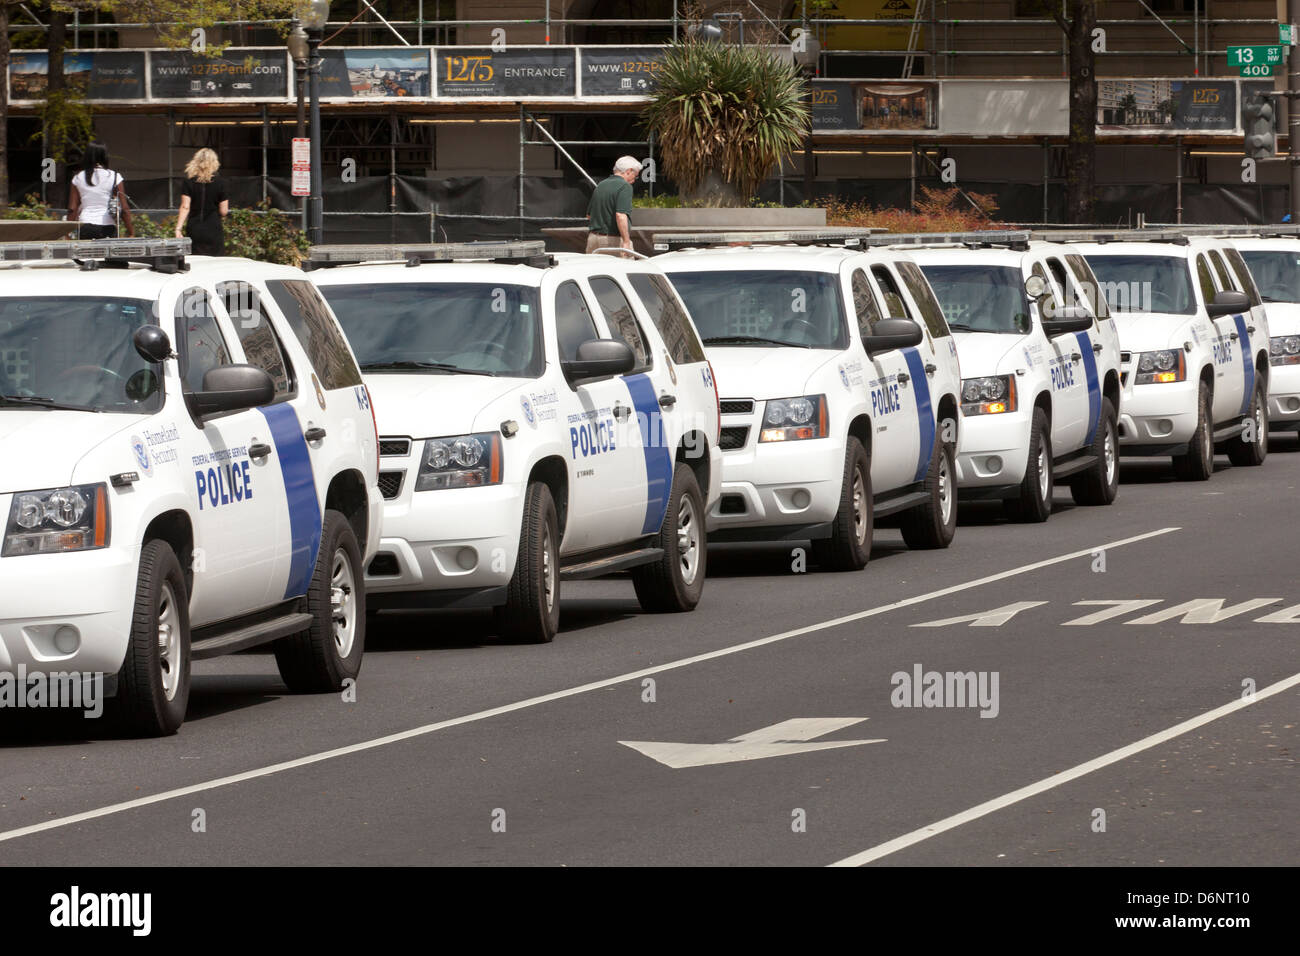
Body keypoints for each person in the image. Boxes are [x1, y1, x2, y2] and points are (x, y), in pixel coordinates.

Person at [67, 142, 133, 239]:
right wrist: (131, 232)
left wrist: (67, 233)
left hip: (85, 226)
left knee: (86, 254)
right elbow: (124, 209)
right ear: (105, 156)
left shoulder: (78, 178)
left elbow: (72, 209)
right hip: (108, 226)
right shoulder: (114, 176)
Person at [174, 148, 229, 256]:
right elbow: (224, 211)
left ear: (195, 162)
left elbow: (185, 207)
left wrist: (178, 229)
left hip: (194, 228)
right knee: (215, 262)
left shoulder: (188, 182)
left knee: (196, 262)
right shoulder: (221, 183)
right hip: (213, 228)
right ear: (215, 163)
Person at [586, 156, 641, 255]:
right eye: (635, 176)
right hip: (612, 241)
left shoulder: (601, 185)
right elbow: (620, 215)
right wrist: (626, 241)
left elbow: (589, 215)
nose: (634, 180)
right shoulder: (625, 186)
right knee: (625, 268)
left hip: (592, 240)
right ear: (629, 171)